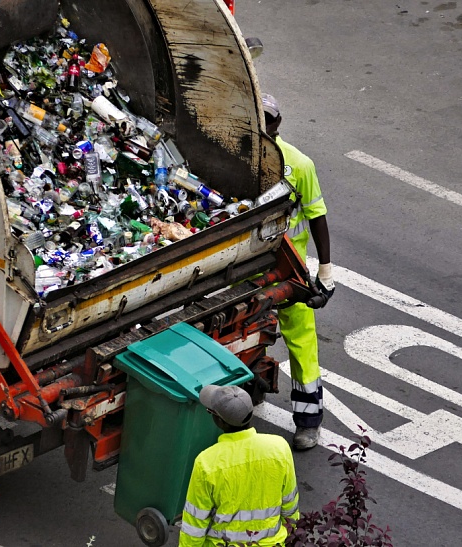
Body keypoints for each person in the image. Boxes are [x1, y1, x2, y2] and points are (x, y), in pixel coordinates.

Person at [261, 92, 335, 451]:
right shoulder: (235, 156)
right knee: (246, 331)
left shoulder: (299, 165)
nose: (263, 125)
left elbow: (317, 216)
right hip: (246, 267)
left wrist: (326, 271)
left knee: (302, 343)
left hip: (288, 269)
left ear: (279, 122)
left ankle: (308, 423)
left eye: (268, 119)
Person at [179, 384, 300, 546]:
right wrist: (292, 533)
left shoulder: (207, 462)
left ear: (219, 421)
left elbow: (195, 524)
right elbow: (290, 505)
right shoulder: (279, 448)